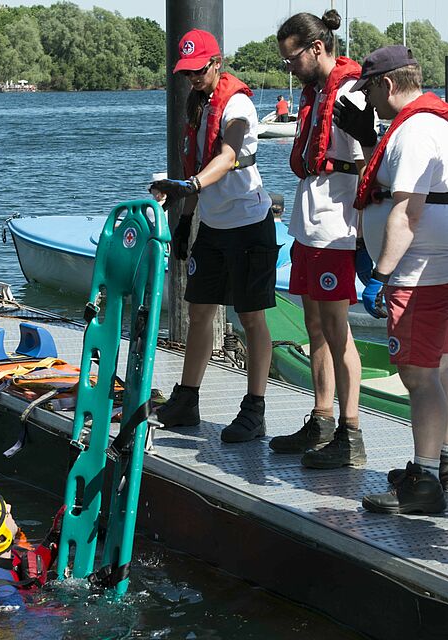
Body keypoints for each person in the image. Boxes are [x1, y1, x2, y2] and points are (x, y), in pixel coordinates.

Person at [333, 45, 448, 513]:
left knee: (417, 376)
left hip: (420, 269)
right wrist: (371, 141)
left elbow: (407, 210)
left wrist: (381, 273)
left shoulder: (413, 131)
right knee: (440, 366)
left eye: (369, 89)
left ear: (387, 84)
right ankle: (443, 460)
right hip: (443, 264)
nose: (368, 100)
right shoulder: (431, 122)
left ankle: (424, 482)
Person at [150, 29, 278, 443]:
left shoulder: (236, 103)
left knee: (252, 318)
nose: (193, 79)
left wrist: (190, 188)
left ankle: (254, 410)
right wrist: (186, 220)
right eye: (186, 73)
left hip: (248, 224)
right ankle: (187, 399)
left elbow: (226, 156)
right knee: (199, 311)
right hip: (213, 224)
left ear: (216, 63)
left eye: (198, 71)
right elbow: (196, 163)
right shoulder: (199, 104)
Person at [268, 9, 369, 470]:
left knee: (336, 328)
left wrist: (366, 230)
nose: (290, 70)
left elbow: (370, 161)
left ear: (316, 48)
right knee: (314, 327)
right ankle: (323, 417)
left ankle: (351, 433)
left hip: (336, 225)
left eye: (293, 60)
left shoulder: (351, 94)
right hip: (309, 220)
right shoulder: (315, 94)